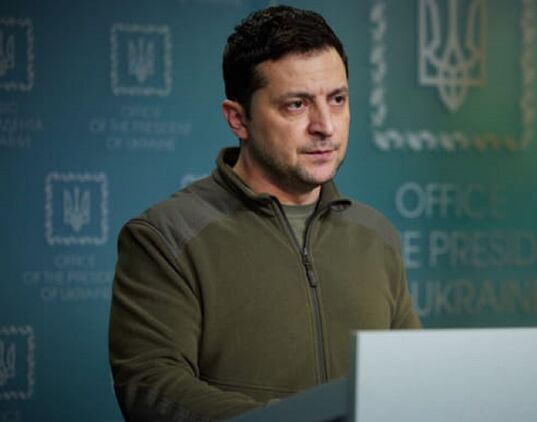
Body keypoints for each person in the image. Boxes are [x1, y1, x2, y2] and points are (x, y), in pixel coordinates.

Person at [108, 5, 421, 421]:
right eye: (297, 105)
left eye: (337, 99)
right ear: (238, 119)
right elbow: (152, 389)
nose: (325, 125)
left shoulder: (376, 235)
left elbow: (413, 382)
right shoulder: (165, 237)